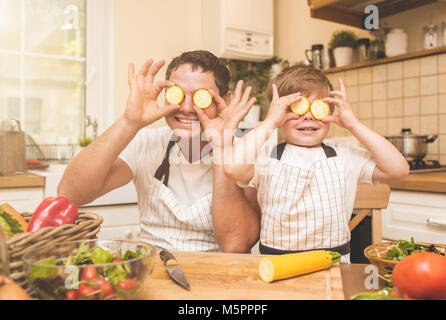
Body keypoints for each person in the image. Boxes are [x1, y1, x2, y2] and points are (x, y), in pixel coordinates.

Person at [57, 50, 261, 253]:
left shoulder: (246, 153)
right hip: (151, 269)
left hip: (215, 276)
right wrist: (129, 122)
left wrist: (221, 146)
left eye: (202, 98)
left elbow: (236, 245)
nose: (187, 107)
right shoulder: (147, 143)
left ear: (225, 99)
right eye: (178, 95)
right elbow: (71, 193)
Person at [223, 63, 409, 262]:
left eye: (317, 107)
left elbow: (399, 170)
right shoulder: (266, 155)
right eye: (296, 108)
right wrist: (269, 122)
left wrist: (353, 124)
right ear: (280, 113)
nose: (309, 115)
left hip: (334, 265)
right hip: (275, 264)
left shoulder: (346, 154)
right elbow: (232, 168)